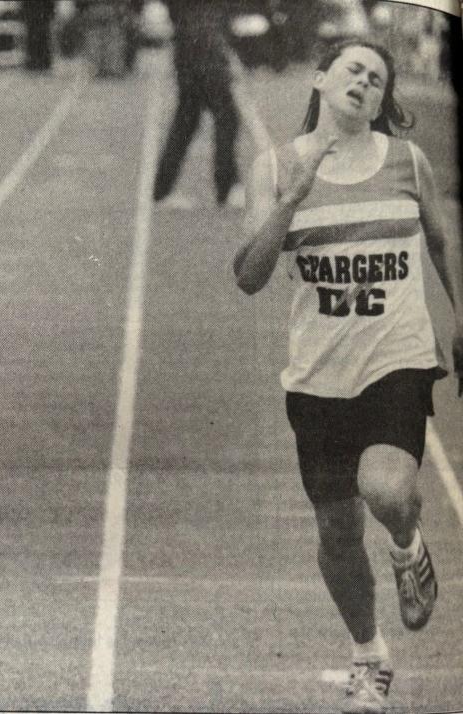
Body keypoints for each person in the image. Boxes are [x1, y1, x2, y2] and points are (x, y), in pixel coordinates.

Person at [233, 39, 463, 714]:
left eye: (376, 78)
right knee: (336, 534)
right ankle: (369, 655)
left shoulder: (406, 162)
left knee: (387, 489)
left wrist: (457, 316)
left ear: (381, 99)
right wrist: (291, 200)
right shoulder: (274, 167)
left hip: (396, 359)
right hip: (317, 376)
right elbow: (247, 276)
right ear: (321, 76)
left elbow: (442, 240)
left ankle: (406, 539)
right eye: (353, 70)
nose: (364, 82)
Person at [153, 0, 243, 209]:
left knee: (187, 119)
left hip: (187, 47)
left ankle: (162, 189)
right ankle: (227, 187)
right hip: (205, 47)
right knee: (226, 118)